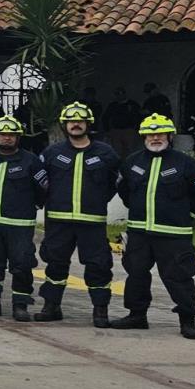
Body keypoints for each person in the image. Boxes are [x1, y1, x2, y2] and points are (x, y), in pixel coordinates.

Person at [111, 114, 195, 339]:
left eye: (160, 133)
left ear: (169, 135)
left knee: (179, 277)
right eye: (150, 134)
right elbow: (124, 190)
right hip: (139, 232)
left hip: (174, 234)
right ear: (144, 136)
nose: (155, 137)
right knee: (136, 274)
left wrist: (191, 215)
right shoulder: (132, 162)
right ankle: (137, 315)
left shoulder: (185, 163)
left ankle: (187, 320)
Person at [36, 102, 121, 326]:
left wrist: (97, 200)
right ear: (65, 125)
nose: (76, 124)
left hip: (91, 222)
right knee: (55, 264)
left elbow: (115, 183)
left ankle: (100, 310)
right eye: (71, 121)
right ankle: (51, 306)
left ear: (88, 124)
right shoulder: (52, 153)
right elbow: (40, 182)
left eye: (80, 121)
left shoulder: (106, 153)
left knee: (99, 266)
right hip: (59, 221)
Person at [0, 116, 47, 321]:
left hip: (20, 225)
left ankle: (20, 304)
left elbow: (42, 189)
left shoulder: (31, 160)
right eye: (3, 135)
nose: (7, 138)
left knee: (22, 265)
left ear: (18, 137)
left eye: (11, 135)